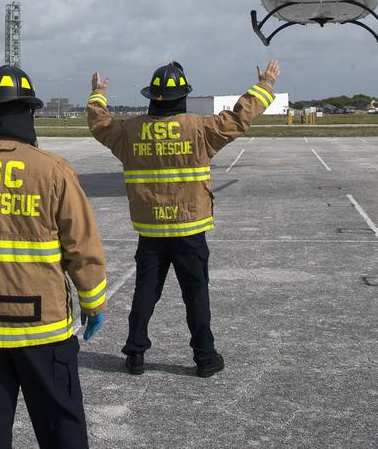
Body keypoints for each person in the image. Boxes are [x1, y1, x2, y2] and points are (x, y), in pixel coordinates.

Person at [0, 64, 108, 449]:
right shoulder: (53, 171)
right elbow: (82, 246)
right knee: (61, 424)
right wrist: (93, 302)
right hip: (39, 326)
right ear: (28, 113)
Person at [86, 59, 280, 378]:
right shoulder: (200, 129)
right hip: (190, 229)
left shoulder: (129, 132)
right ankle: (205, 357)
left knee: (145, 292)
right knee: (196, 294)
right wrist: (265, 86)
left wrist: (98, 94)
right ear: (183, 97)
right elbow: (238, 119)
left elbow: (99, 124)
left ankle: (135, 353)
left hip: (150, 231)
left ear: (152, 96)